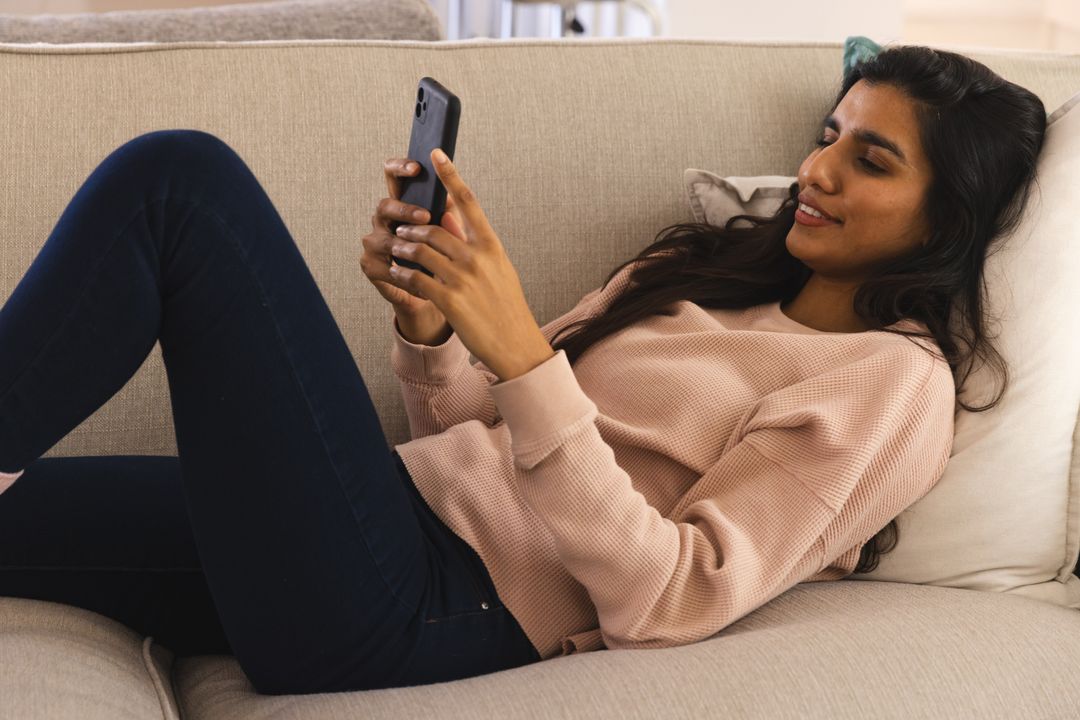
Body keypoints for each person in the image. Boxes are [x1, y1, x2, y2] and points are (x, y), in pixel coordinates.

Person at [0, 43, 1047, 696]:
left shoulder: (891, 384)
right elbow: (475, 437)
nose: (818, 170)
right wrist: (433, 331)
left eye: (871, 160)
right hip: (377, 524)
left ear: (946, 214)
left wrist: (523, 354)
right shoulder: (695, 270)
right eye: (831, 136)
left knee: (182, 185)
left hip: (427, 609)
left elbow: (675, 595)